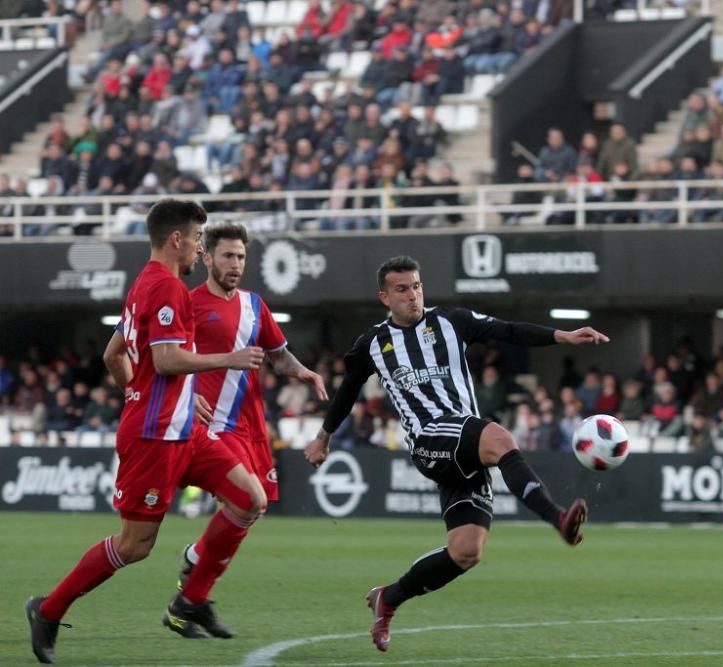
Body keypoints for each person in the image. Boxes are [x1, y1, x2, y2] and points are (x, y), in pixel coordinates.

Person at [303, 255, 608, 653]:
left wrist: (561, 336)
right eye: (401, 289)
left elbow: (508, 330)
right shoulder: (372, 344)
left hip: (462, 441)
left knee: (466, 551)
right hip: (429, 438)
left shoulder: (451, 321)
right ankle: (558, 518)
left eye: (416, 286)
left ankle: (389, 598)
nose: (412, 295)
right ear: (384, 297)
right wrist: (323, 436)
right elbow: (347, 392)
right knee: (499, 438)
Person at [26, 200, 268, 664]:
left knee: (250, 498)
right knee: (135, 545)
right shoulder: (168, 290)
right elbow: (165, 360)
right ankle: (49, 610)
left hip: (184, 430)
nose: (201, 248)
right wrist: (226, 360)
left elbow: (115, 356)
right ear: (177, 239)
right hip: (155, 437)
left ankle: (191, 599)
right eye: (198, 239)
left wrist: (158, 393)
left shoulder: (144, 284)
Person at [172, 223, 328, 615]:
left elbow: (279, 354)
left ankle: (196, 560)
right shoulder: (189, 304)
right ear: (207, 257)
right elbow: (166, 361)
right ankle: (193, 596)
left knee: (252, 509)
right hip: (210, 425)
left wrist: (303, 372)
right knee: (246, 501)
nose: (235, 263)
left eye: (240, 256)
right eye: (227, 255)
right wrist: (188, 395)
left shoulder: (254, 305)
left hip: (250, 424)